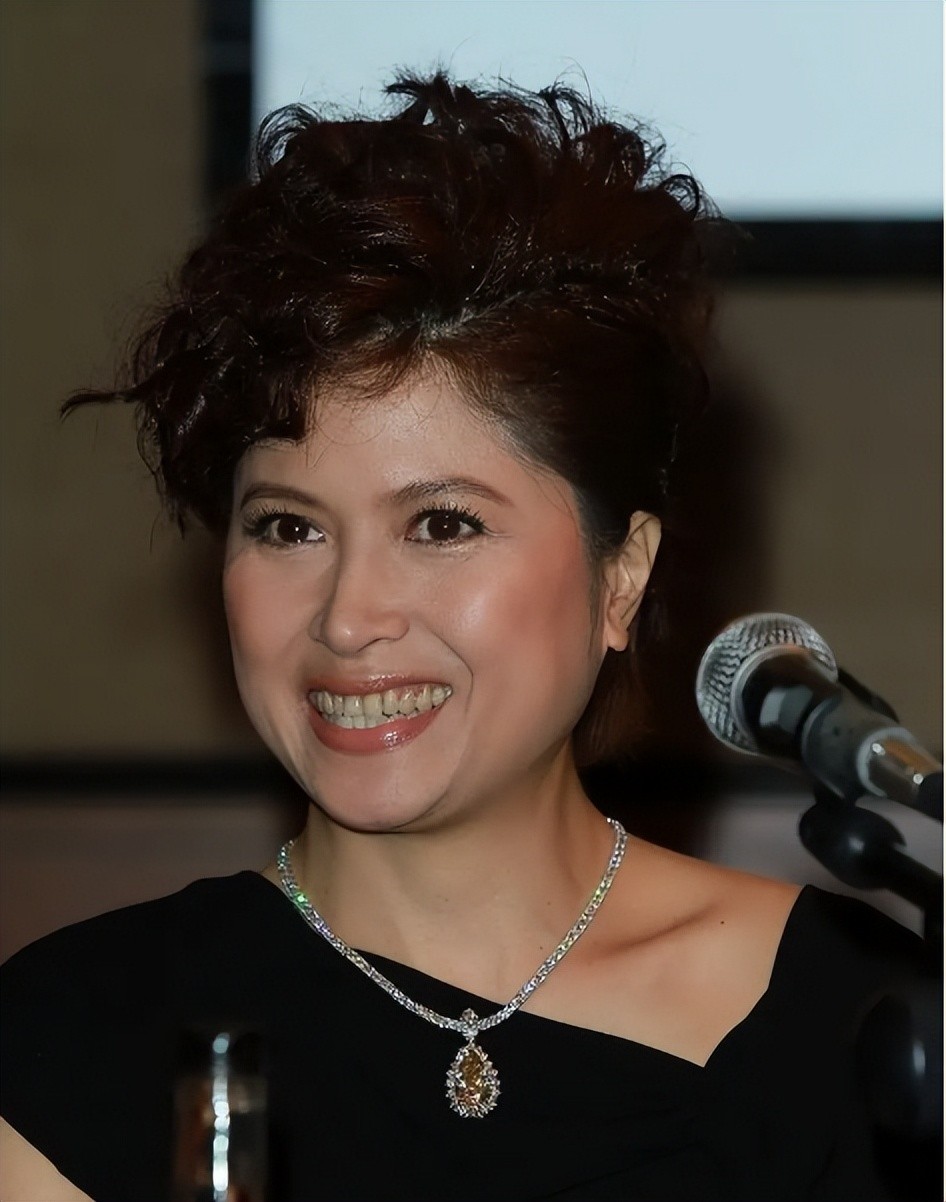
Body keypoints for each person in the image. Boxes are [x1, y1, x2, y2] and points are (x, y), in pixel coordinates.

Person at [0, 73, 934, 1202]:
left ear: (621, 576)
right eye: (288, 527)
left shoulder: (871, 1029)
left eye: (442, 524)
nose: (349, 616)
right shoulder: (77, 1036)